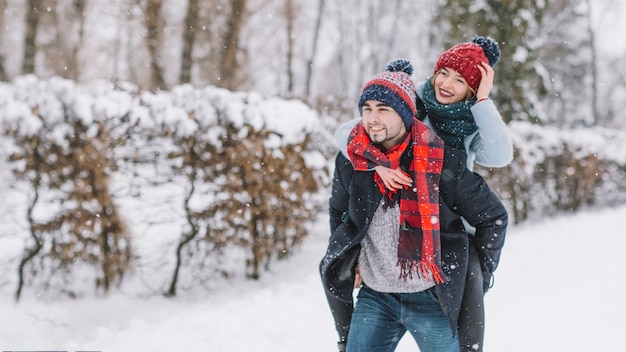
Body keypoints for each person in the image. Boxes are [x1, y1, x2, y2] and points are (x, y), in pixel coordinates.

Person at [333, 36, 512, 352]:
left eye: (460, 81)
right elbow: (356, 130)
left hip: (442, 239)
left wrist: (476, 275)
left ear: (471, 91)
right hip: (382, 278)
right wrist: (379, 162)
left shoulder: (469, 128)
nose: (446, 83)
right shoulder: (412, 104)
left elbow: (499, 157)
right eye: (443, 72)